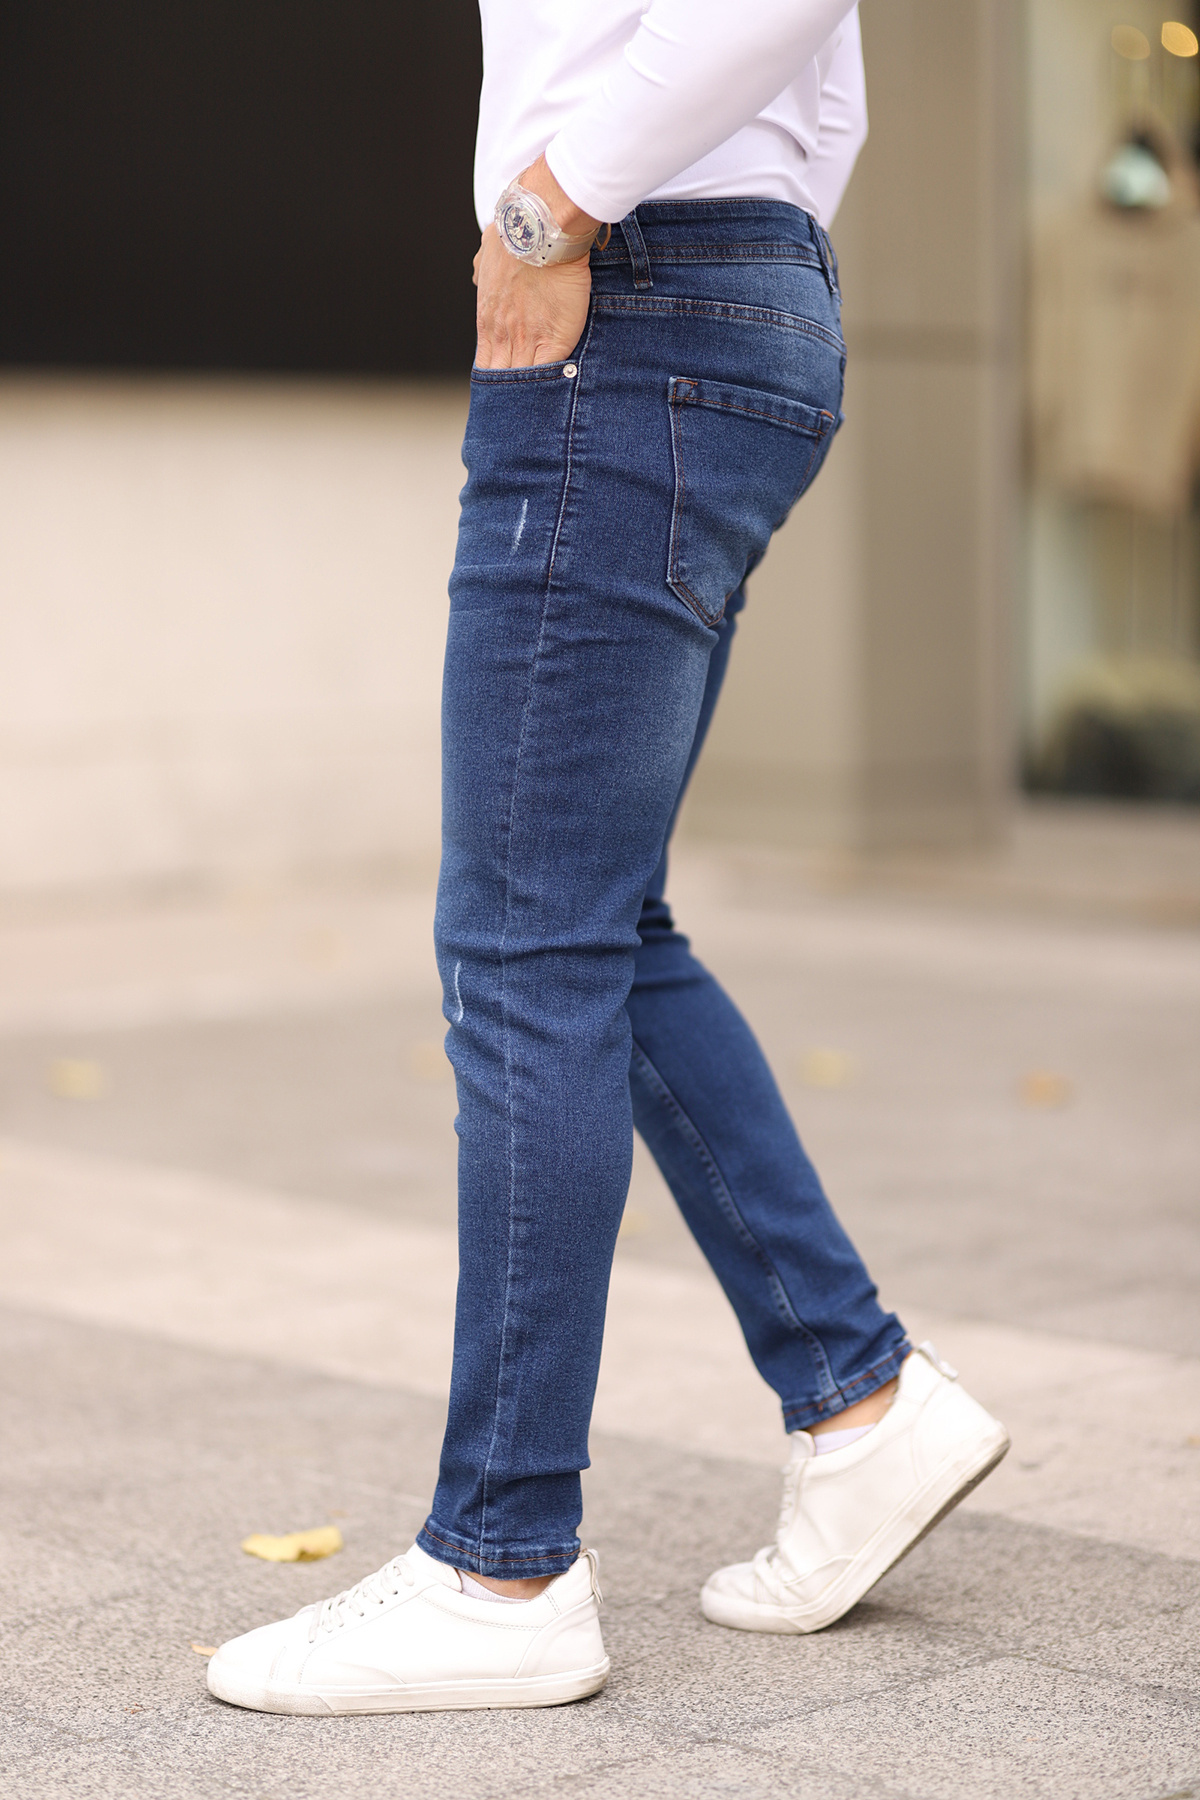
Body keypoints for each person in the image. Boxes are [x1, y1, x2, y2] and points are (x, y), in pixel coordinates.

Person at [207, 0, 1009, 1716]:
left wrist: (549, 211)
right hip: (725, 289)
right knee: (596, 922)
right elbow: (826, 103)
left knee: (525, 945)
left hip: (631, 299)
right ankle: (859, 1401)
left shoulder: (590, 232)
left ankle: (503, 1565)